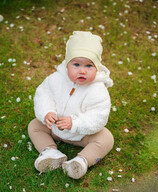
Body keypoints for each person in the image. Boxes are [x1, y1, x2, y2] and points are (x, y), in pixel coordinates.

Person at [28, 31, 114, 179]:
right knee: (34, 126)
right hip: (55, 127)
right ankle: (50, 152)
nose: (82, 71)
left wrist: (75, 123)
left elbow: (98, 115)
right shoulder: (55, 79)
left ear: (97, 67)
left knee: (106, 138)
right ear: (67, 64)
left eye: (89, 65)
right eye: (76, 64)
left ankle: (81, 161)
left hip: (83, 134)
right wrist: (47, 112)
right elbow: (44, 95)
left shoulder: (98, 90)